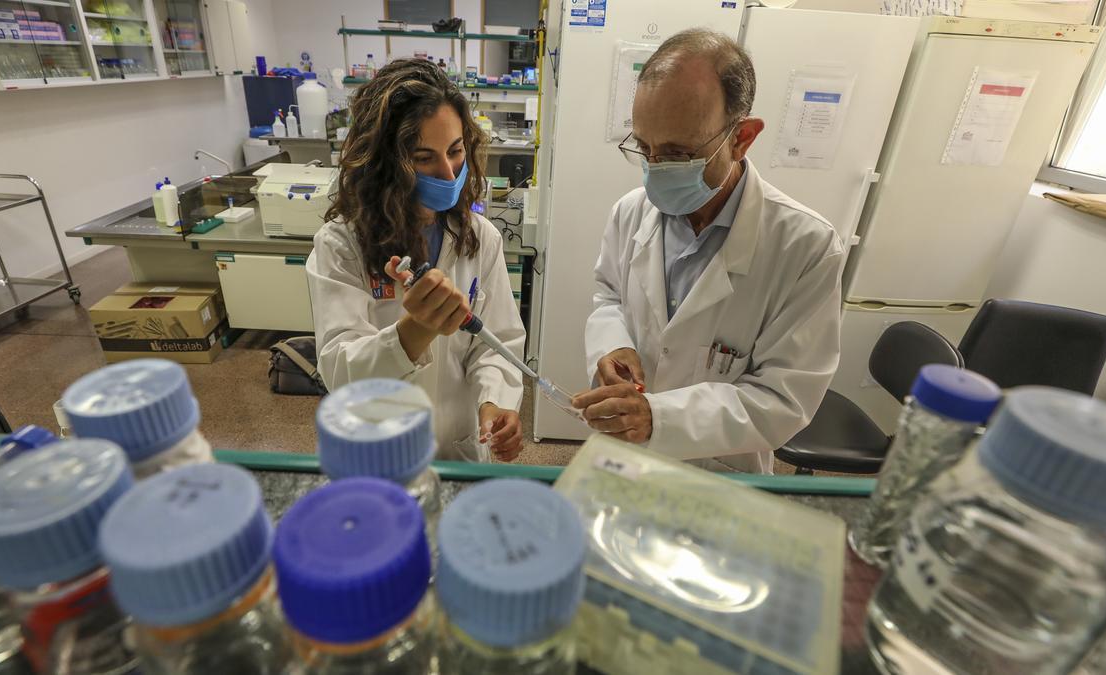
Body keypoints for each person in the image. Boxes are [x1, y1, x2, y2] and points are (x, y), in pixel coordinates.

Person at [572, 29, 844, 473]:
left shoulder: (806, 247)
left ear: (742, 138)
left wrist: (660, 419)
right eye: (645, 148)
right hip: (624, 458)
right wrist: (612, 345)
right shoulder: (630, 212)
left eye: (678, 153)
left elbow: (784, 398)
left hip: (721, 471)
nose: (655, 171)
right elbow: (609, 296)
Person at [308, 58, 525, 461]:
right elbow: (339, 371)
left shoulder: (479, 237)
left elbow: (497, 343)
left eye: (455, 150)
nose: (447, 173)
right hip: (381, 449)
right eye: (424, 158)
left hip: (456, 445)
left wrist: (494, 404)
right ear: (384, 161)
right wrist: (415, 331)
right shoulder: (341, 244)